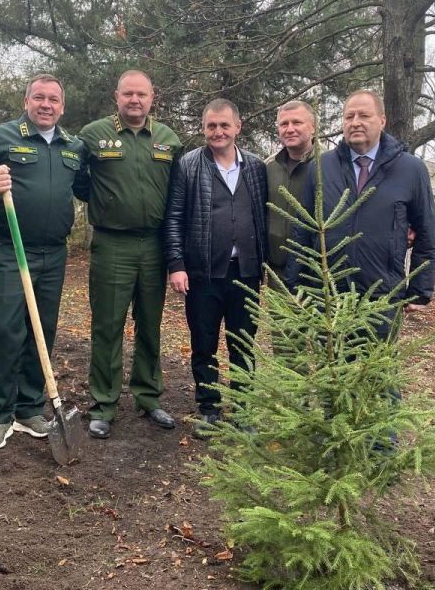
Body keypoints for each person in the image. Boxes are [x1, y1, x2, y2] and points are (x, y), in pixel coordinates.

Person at [0, 74, 88, 450]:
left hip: (54, 252)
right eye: (39, 98)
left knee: (42, 330)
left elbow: (87, 187)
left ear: (62, 107)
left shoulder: (72, 146)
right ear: (26, 101)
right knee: (5, 328)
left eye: (54, 100)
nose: (46, 105)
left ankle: (30, 408)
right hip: (11, 249)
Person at [76, 70, 182, 440]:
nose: (134, 100)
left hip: (154, 244)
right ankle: (104, 404)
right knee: (108, 324)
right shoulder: (93, 135)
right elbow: (78, 182)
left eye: (142, 94)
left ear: (153, 97)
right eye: (128, 94)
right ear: (116, 97)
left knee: (151, 323)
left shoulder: (169, 139)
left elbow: (176, 193)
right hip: (112, 244)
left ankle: (149, 397)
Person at [286, 89, 435, 336]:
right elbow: (303, 227)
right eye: (349, 117)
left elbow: (427, 231)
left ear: (382, 120)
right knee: (332, 371)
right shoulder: (321, 167)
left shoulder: (411, 169)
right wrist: (295, 285)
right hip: (329, 294)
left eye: (364, 115)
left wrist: (421, 289)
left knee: (375, 372)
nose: (355, 122)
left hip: (382, 295)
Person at [163, 99, 267, 437]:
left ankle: (243, 410)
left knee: (243, 343)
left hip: (246, 272)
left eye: (224, 125)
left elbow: (264, 215)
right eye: (211, 126)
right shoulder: (188, 165)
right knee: (204, 342)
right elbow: (174, 217)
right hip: (202, 273)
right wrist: (176, 264)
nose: (217, 132)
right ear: (204, 128)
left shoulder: (255, 167)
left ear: (238, 127)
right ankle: (208, 408)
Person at [265, 100, 316, 281]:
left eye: (297, 122)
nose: (290, 129)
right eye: (284, 124)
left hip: (317, 274)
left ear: (312, 127)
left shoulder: (329, 165)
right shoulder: (268, 166)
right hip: (277, 272)